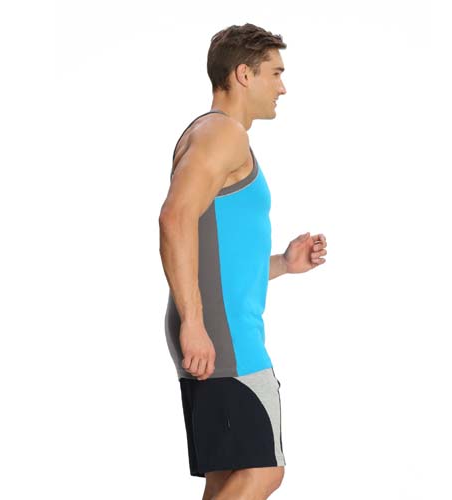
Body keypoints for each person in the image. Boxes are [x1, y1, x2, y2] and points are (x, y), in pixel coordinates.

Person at [158, 23, 327, 500]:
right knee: (264, 471)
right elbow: (174, 218)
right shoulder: (223, 134)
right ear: (243, 75)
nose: (282, 87)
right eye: (275, 73)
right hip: (224, 336)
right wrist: (195, 323)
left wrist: (283, 264)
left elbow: (217, 255)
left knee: (227, 475)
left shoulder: (214, 134)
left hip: (217, 326)